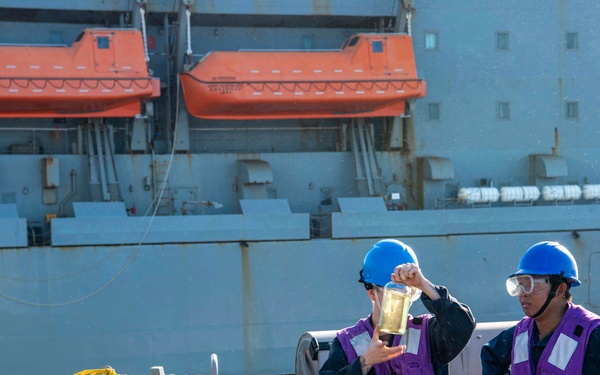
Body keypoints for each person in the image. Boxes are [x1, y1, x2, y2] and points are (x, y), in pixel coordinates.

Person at [319, 239, 476, 375]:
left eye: (409, 292)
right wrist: (364, 362)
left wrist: (423, 284)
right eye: (393, 292)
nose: (403, 299)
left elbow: (463, 326)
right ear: (371, 293)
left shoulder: (427, 333)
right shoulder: (348, 342)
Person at [480, 241, 600, 374]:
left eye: (530, 284)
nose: (523, 293)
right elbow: (490, 355)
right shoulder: (520, 333)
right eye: (519, 285)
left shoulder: (591, 334)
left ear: (560, 290)